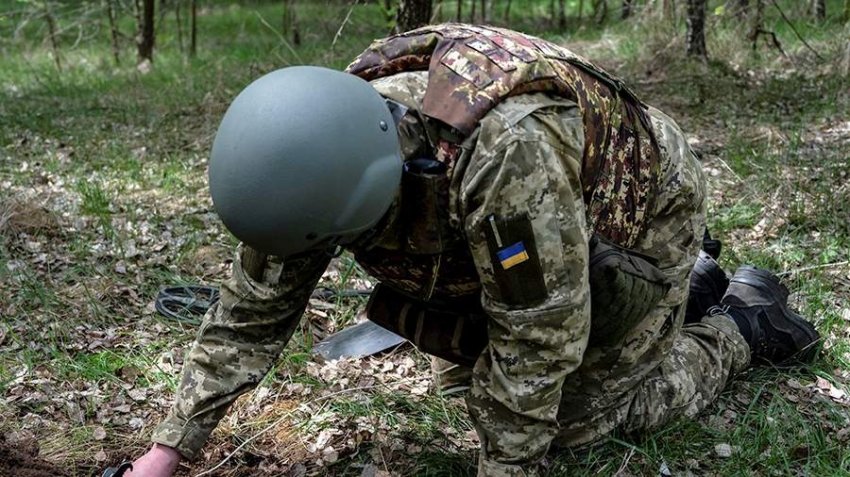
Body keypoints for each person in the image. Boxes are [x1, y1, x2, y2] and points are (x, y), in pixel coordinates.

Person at [119, 24, 819, 477]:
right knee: (468, 385)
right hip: (544, 219)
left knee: (574, 423)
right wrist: (168, 448)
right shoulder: (321, 140)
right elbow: (253, 308)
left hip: (640, 207)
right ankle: (665, 302)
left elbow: (540, 333)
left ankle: (739, 320)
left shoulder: (502, 156)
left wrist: (506, 466)